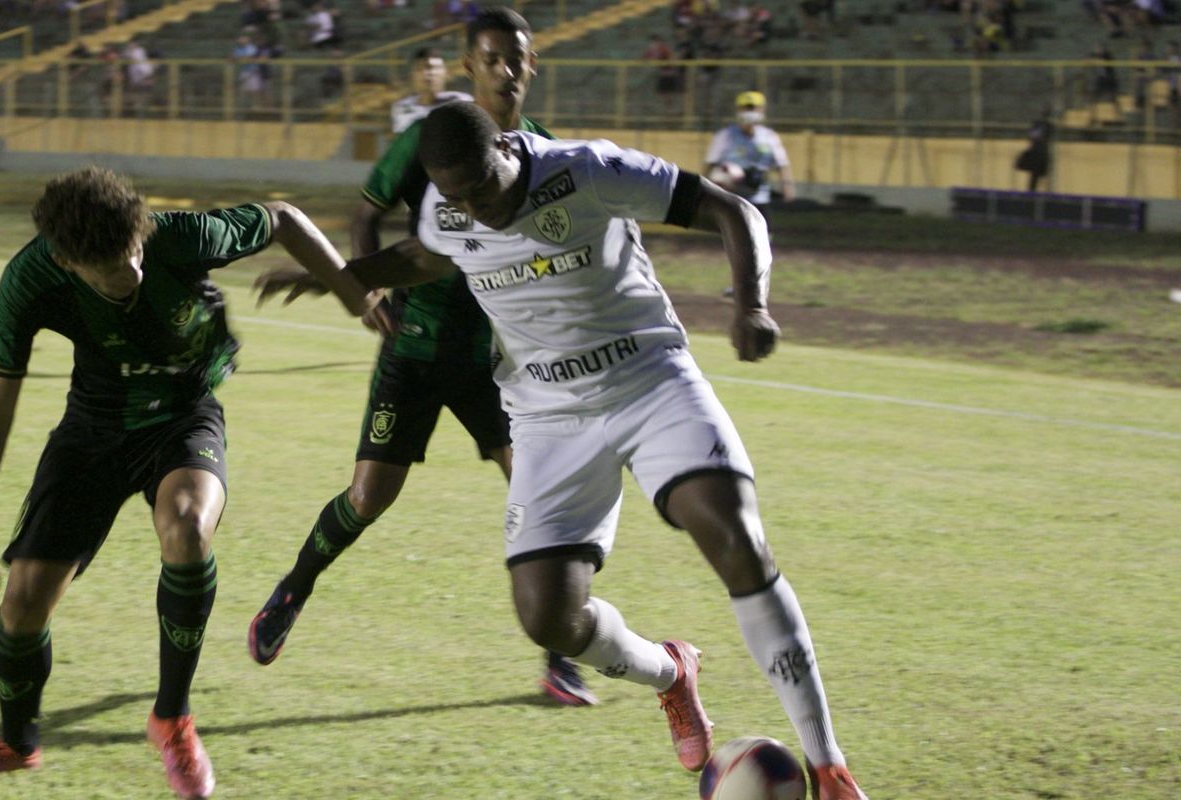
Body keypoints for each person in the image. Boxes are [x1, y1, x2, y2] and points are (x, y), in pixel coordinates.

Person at [256, 101, 870, 800]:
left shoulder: (587, 169)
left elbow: (736, 212)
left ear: (507, 153)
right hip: (547, 413)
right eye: (454, 198)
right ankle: (671, 673)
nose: (474, 211)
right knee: (548, 617)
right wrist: (352, 274)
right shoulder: (452, 207)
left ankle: (830, 767)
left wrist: (751, 304)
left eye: (482, 190)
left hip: (648, 380)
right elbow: (428, 253)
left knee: (733, 536)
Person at [0, 167, 367, 798]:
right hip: (94, 428)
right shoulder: (31, 277)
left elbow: (282, 217)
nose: (131, 270)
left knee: (188, 528)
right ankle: (17, 743)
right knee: (24, 603)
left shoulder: (183, 236)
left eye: (134, 250)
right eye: (110, 266)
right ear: (67, 261)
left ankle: (172, 718)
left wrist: (358, 296)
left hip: (184, 415)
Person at [246, 7, 597, 708]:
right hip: (413, 350)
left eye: (515, 59)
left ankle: (560, 656)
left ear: (532, 65)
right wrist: (357, 282)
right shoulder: (429, 140)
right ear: (470, 66)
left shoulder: (548, 154)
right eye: (491, 58)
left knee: (538, 495)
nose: (505, 70)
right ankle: (293, 588)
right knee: (368, 498)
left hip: (491, 362)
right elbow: (375, 212)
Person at [704, 90, 793, 219]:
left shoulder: (769, 137)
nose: (750, 112)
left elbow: (782, 164)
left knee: (763, 236)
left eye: (753, 108)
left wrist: (787, 188)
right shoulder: (725, 136)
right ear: (738, 110)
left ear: (762, 110)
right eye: (746, 108)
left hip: (759, 198)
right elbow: (710, 164)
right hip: (731, 199)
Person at [389, 47, 471, 134]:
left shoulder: (462, 102)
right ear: (412, 75)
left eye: (433, 68)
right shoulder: (402, 108)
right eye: (420, 68)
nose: (427, 73)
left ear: (447, 73)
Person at [1015, 111, 1053, 192]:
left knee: (1036, 177)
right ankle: (1033, 191)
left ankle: (1033, 191)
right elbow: (1033, 136)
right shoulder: (1043, 125)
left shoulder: (1043, 125)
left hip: (1039, 152)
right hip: (1039, 153)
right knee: (1035, 177)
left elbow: (1033, 136)